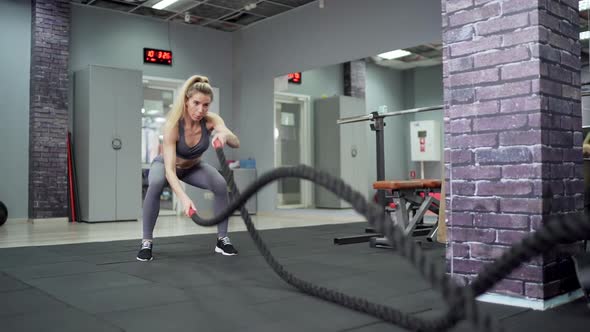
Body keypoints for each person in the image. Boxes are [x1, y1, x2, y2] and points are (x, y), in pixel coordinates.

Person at [137, 75, 240, 261]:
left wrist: (224, 135)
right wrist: (184, 198)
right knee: (157, 182)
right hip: (167, 165)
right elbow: (169, 170)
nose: (201, 110)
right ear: (186, 100)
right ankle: (146, 241)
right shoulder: (173, 126)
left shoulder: (210, 120)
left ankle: (222, 239)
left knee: (220, 184)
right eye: (196, 103)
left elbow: (235, 142)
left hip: (194, 167)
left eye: (206, 105)